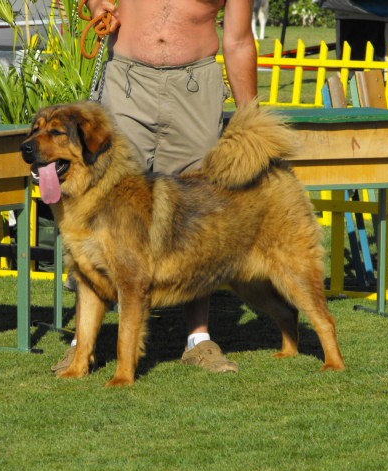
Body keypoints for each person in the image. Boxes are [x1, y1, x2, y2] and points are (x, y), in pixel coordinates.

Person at [52, 0, 257, 375]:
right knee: (100, 205)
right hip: (129, 79)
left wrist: (250, 121)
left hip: (196, 84)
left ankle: (198, 340)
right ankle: (82, 345)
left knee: (196, 214)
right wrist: (98, 4)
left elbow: (239, 41)